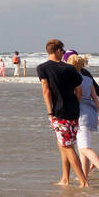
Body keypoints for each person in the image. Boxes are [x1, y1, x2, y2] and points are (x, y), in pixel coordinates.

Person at [37, 39, 87, 187]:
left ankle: (84, 182)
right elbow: (79, 90)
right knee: (63, 144)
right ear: (58, 50)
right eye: (62, 51)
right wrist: (75, 104)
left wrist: (50, 112)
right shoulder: (70, 69)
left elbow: (46, 91)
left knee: (67, 147)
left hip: (59, 112)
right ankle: (65, 179)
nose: (63, 53)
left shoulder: (42, 68)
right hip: (73, 111)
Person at [68, 54, 99, 184]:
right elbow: (95, 97)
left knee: (84, 149)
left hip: (81, 116)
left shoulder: (72, 81)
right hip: (91, 114)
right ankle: (84, 177)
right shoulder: (88, 79)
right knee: (83, 150)